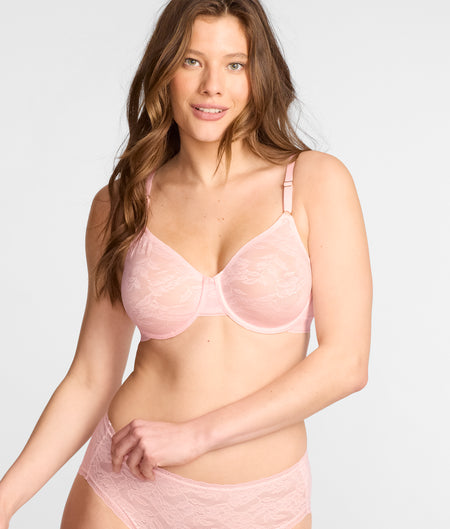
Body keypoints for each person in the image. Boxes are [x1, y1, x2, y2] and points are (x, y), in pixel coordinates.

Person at [0, 0, 372, 527]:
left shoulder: (314, 182)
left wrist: (196, 436)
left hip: (263, 503)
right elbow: (91, 376)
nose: (212, 86)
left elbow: (346, 363)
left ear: (259, 76)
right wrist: (6, 498)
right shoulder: (121, 204)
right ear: (164, 71)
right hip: (123, 493)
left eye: (235, 64)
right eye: (192, 61)